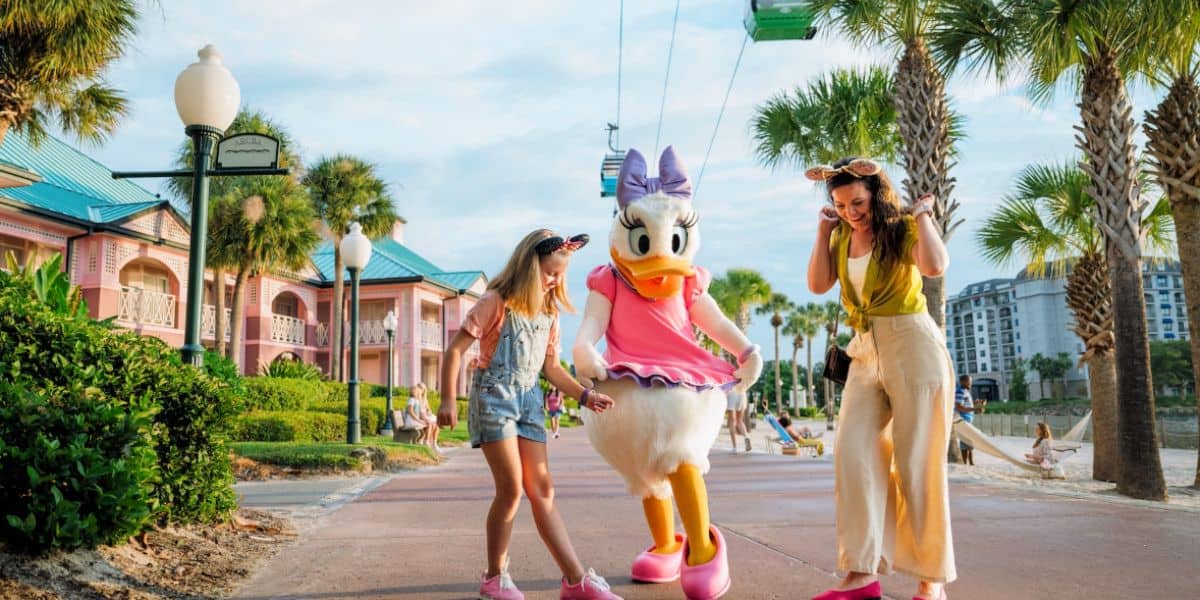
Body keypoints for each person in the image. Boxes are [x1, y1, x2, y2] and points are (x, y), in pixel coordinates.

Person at [438, 229, 623, 600]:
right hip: (495, 398)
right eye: (549, 271)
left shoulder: (549, 314)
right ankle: (495, 577)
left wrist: (585, 395)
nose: (554, 280)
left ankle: (575, 581)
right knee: (510, 490)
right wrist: (446, 401)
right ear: (528, 264)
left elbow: (551, 368)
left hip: (530, 402)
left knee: (543, 490)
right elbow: (455, 350)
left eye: (560, 274)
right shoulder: (496, 302)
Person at [805, 157, 955, 600]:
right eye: (840, 203)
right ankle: (861, 573)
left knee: (917, 465)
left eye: (857, 201)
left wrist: (923, 215)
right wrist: (821, 232)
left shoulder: (900, 229)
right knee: (852, 454)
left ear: (875, 193)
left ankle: (931, 580)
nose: (851, 211)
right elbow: (817, 285)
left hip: (913, 347)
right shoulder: (839, 238)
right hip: (864, 352)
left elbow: (934, 266)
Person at [413, 382, 441, 453]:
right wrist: (425, 416)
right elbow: (417, 412)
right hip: (419, 418)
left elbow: (429, 409)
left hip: (425, 416)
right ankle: (427, 441)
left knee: (437, 424)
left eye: (422, 389)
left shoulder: (424, 399)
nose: (420, 390)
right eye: (419, 388)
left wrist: (429, 411)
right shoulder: (415, 399)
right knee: (430, 424)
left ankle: (434, 443)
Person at [954, 375, 975, 466]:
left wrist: (975, 406)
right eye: (969, 381)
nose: (970, 383)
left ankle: (970, 462)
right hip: (963, 420)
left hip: (967, 420)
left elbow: (965, 405)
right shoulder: (960, 391)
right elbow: (958, 407)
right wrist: (974, 409)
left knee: (969, 441)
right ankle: (966, 463)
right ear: (962, 382)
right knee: (965, 442)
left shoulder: (965, 391)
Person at [726, 386, 751, 452]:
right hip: (742, 394)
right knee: (739, 420)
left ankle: (734, 447)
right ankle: (746, 437)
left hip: (732, 393)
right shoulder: (745, 375)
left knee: (732, 421)